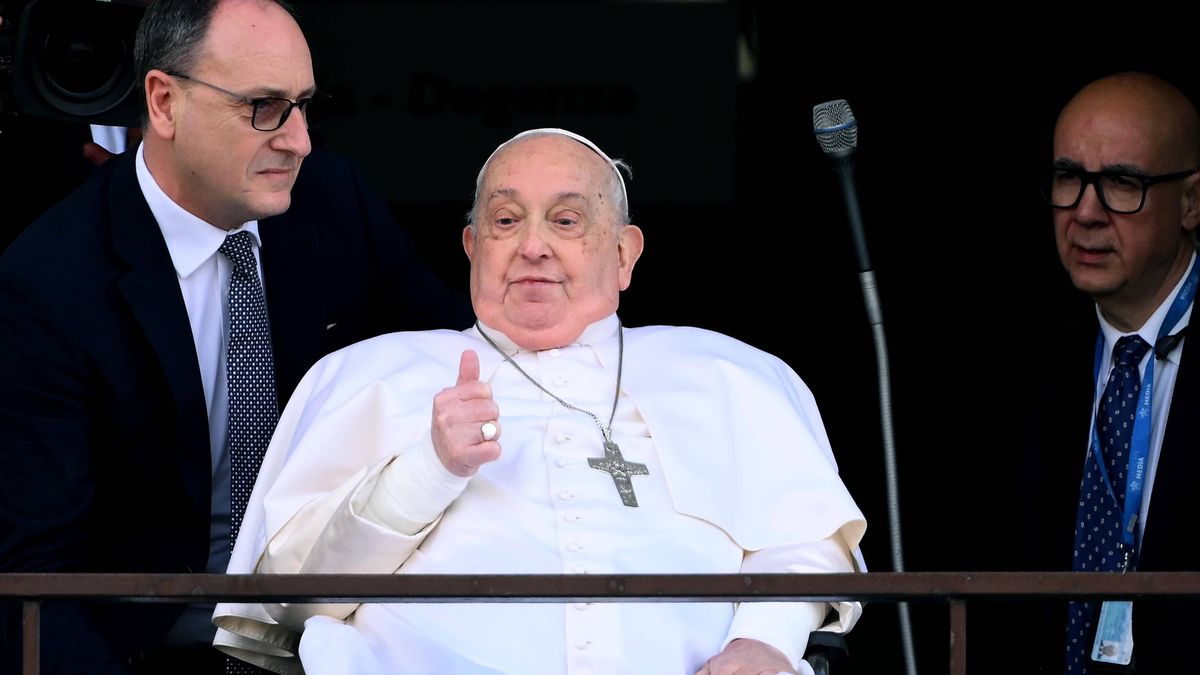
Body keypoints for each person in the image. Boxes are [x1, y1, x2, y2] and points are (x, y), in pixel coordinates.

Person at [213, 128, 866, 675]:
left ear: (623, 253)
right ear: (472, 248)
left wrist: (766, 638)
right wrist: (425, 469)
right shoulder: (369, 373)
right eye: (504, 219)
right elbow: (288, 596)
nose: (532, 245)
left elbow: (808, 542)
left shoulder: (727, 374)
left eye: (566, 219)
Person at [0, 0, 471, 673]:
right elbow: (35, 582)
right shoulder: (47, 286)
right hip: (149, 648)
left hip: (339, 629)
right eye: (263, 106)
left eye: (306, 104)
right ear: (162, 102)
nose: (299, 139)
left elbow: (467, 361)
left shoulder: (335, 202)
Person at [969, 72, 1200, 674]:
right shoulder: (1017, 368)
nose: (1086, 212)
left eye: (1123, 183)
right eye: (1069, 178)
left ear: (1192, 201)